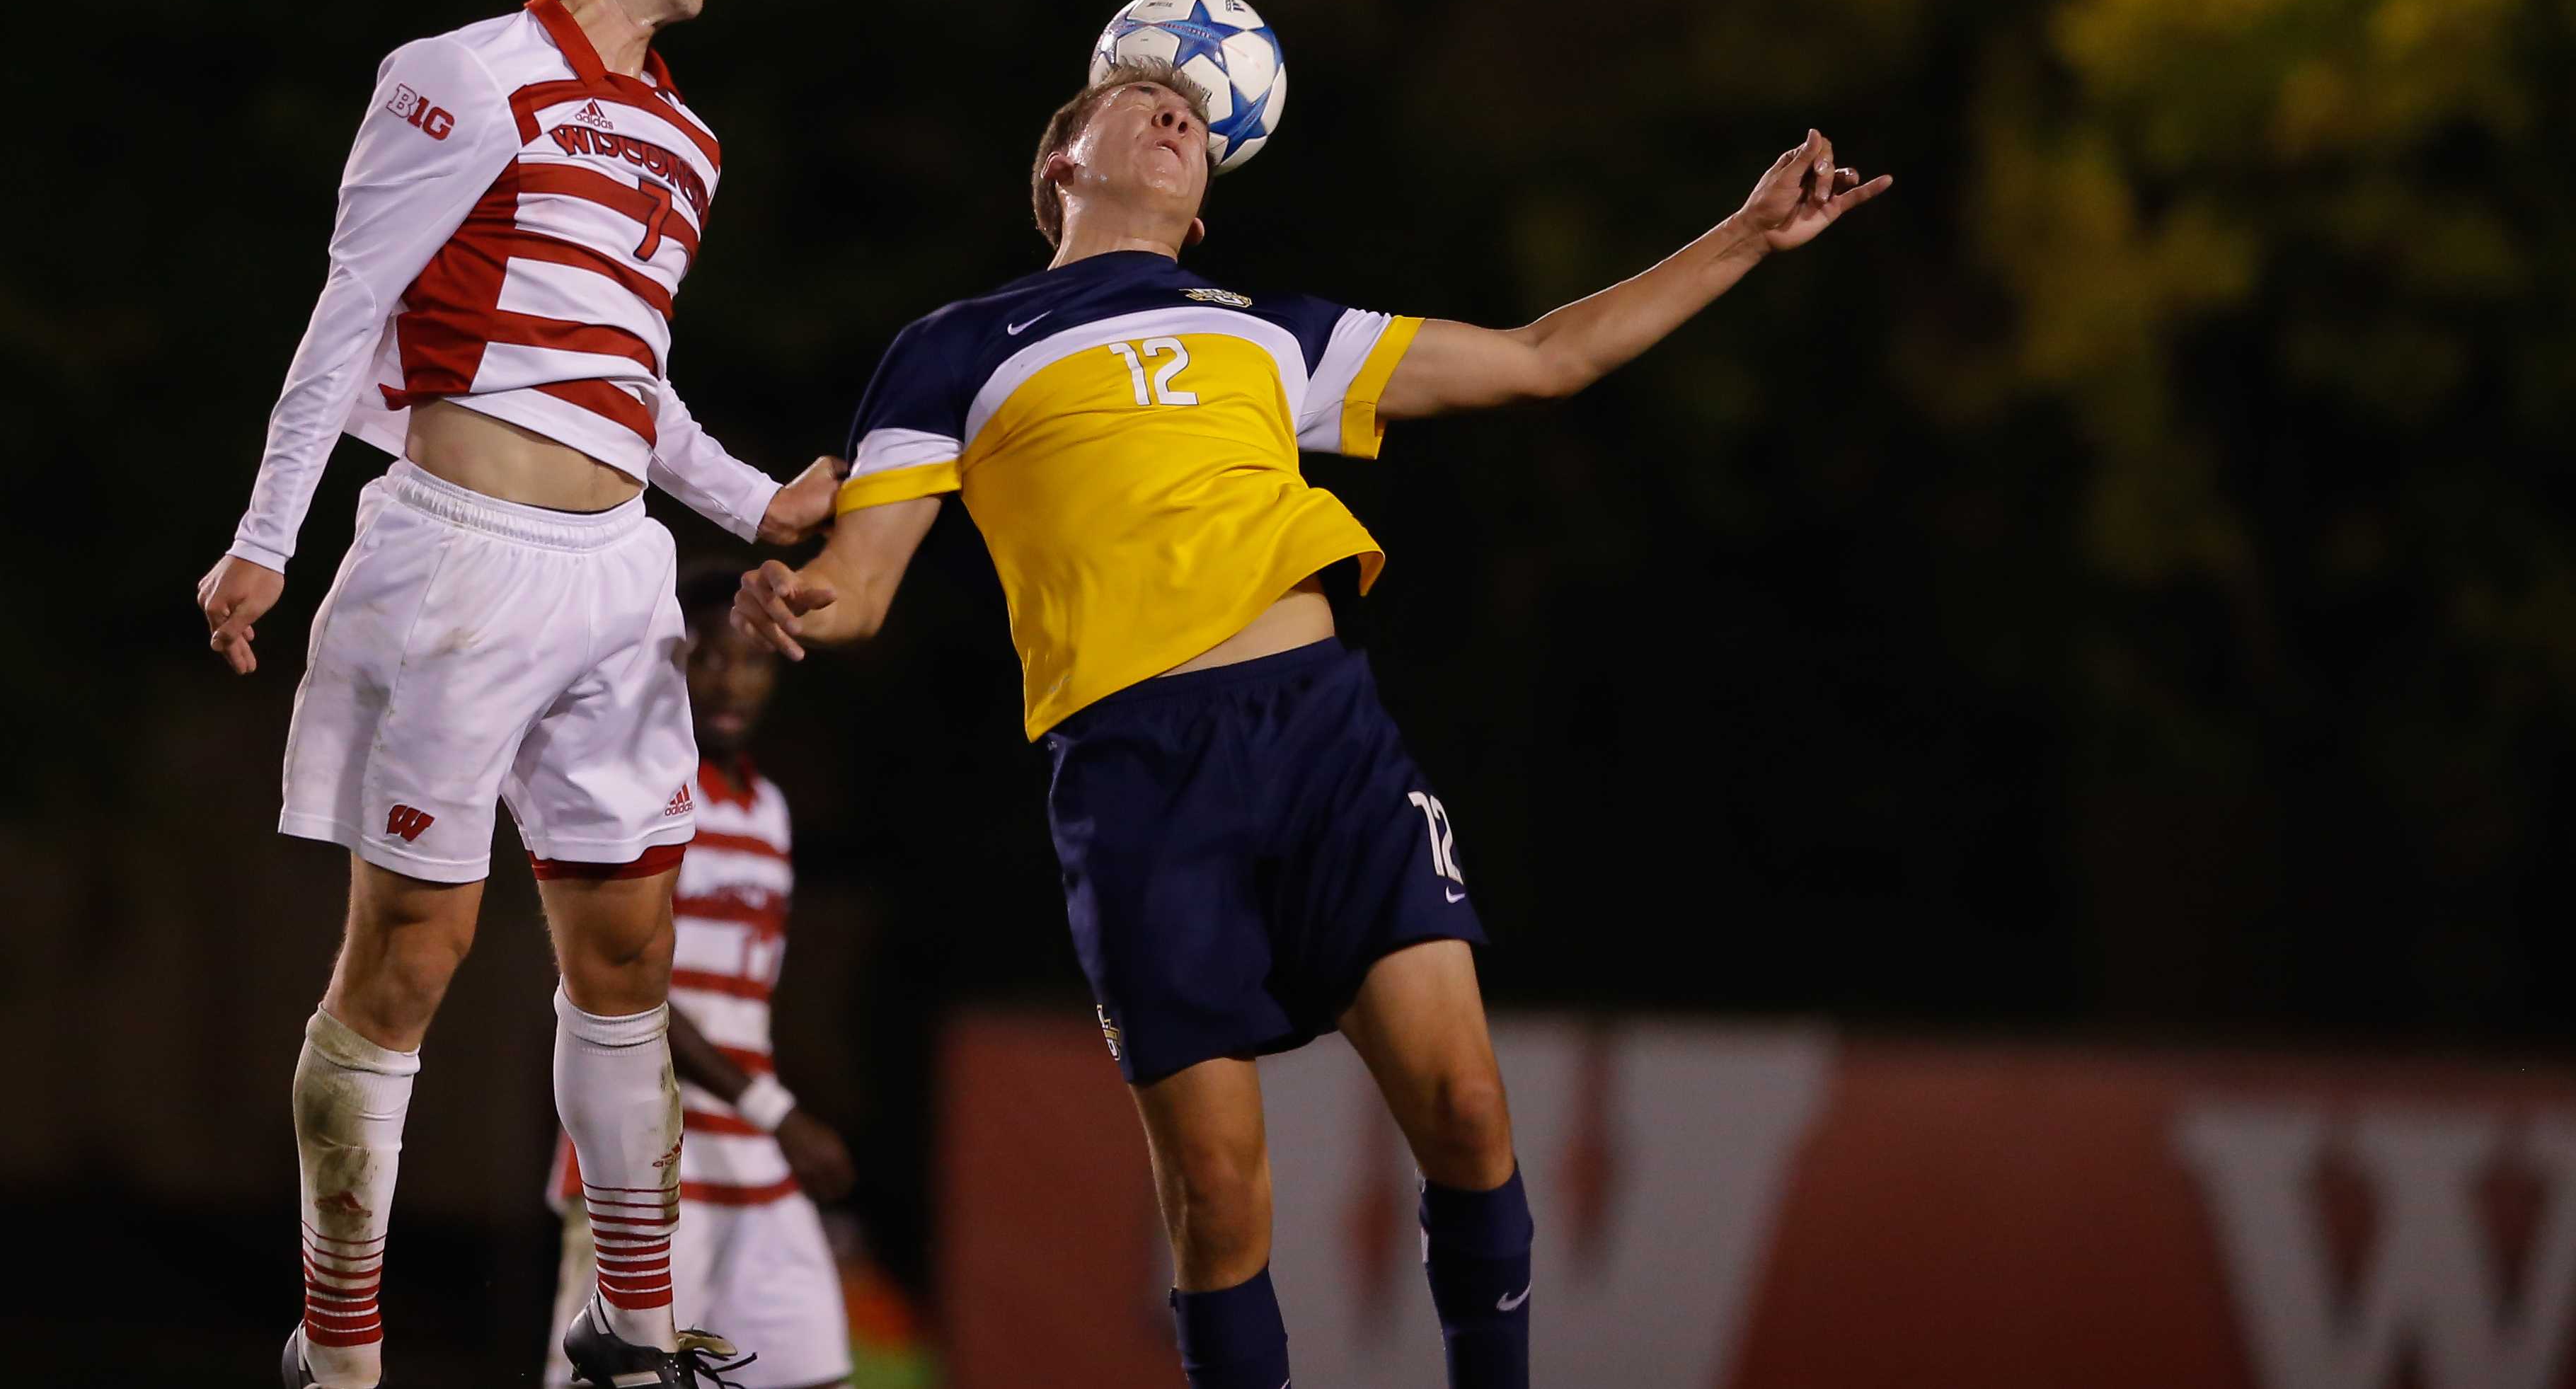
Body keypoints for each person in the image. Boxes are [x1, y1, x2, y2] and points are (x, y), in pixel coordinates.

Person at [735, 67, 1887, 1389]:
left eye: (1191, 116)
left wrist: (1743, 231)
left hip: (1321, 736)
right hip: (1134, 772)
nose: (1176, 116)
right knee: (1218, 1194)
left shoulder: (1267, 330)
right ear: (1060, 160)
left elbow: (1541, 355)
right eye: (1136, 99)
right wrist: (790, 597)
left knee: (1463, 1108)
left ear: (1205, 213)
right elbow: (859, 586)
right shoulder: (953, 345)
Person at [192, 0, 842, 1389]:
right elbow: (350, 311)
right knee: (410, 953)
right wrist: (267, 533)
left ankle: (628, 1318)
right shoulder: (462, 74)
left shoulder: (689, 134)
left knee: (625, 953)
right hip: (455, 560)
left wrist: (757, 497)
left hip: (618, 576)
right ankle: (340, 1334)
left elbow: (630, 381)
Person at [545, 567, 861, 1389]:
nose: (731, 678)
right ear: (674, 661)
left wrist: (772, 1110)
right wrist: (777, 1109)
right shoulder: (637, 789)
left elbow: (744, 1005)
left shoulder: (770, 810)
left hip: (753, 1156)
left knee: (814, 1371)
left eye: (753, 659)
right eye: (709, 656)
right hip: (645, 1158)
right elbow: (624, 992)